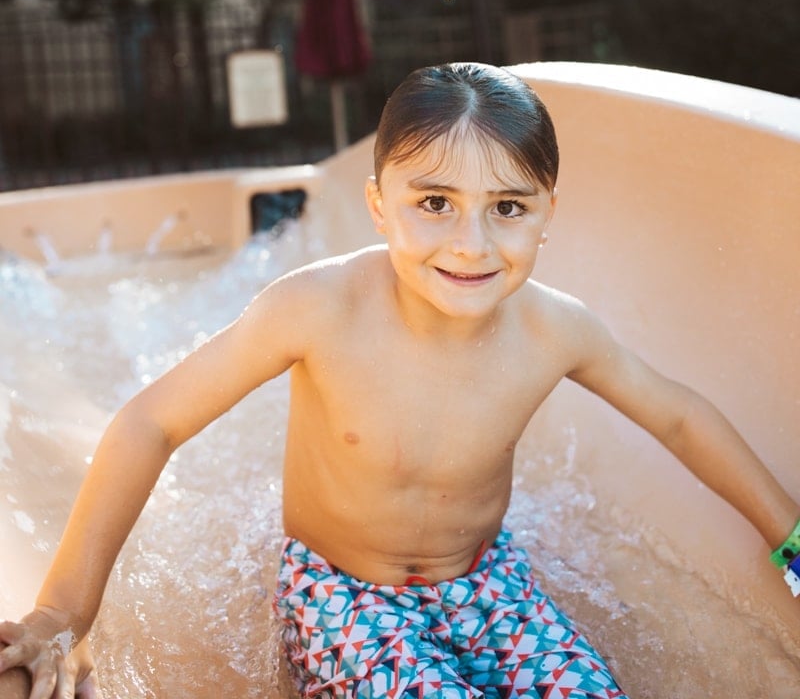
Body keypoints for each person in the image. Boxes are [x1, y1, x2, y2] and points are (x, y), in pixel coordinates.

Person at [1, 61, 798, 699]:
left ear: (550, 212)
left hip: (486, 583)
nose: (472, 243)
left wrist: (789, 536)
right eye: (436, 203)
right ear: (380, 207)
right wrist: (66, 612)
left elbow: (680, 418)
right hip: (343, 592)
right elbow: (153, 423)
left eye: (509, 208)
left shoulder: (557, 330)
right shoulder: (317, 308)